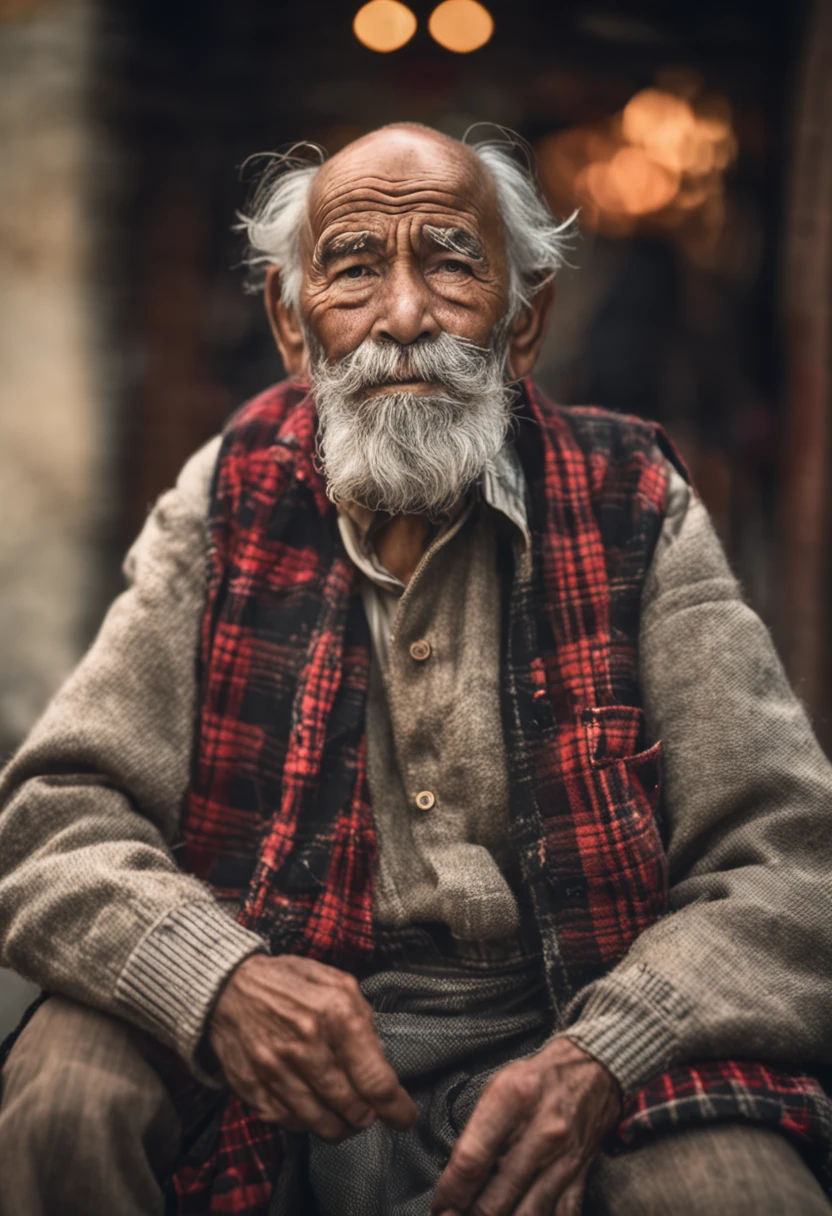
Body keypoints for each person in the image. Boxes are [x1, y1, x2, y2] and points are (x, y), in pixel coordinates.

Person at [0, 123, 831, 1216]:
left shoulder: (632, 500)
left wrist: (610, 1049)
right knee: (62, 1094)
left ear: (521, 325)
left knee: (734, 1192)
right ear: (293, 329)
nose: (402, 317)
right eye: (352, 270)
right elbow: (57, 811)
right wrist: (213, 975)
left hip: (567, 1015)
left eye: (450, 261)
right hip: (278, 999)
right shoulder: (232, 488)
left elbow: (789, 860)